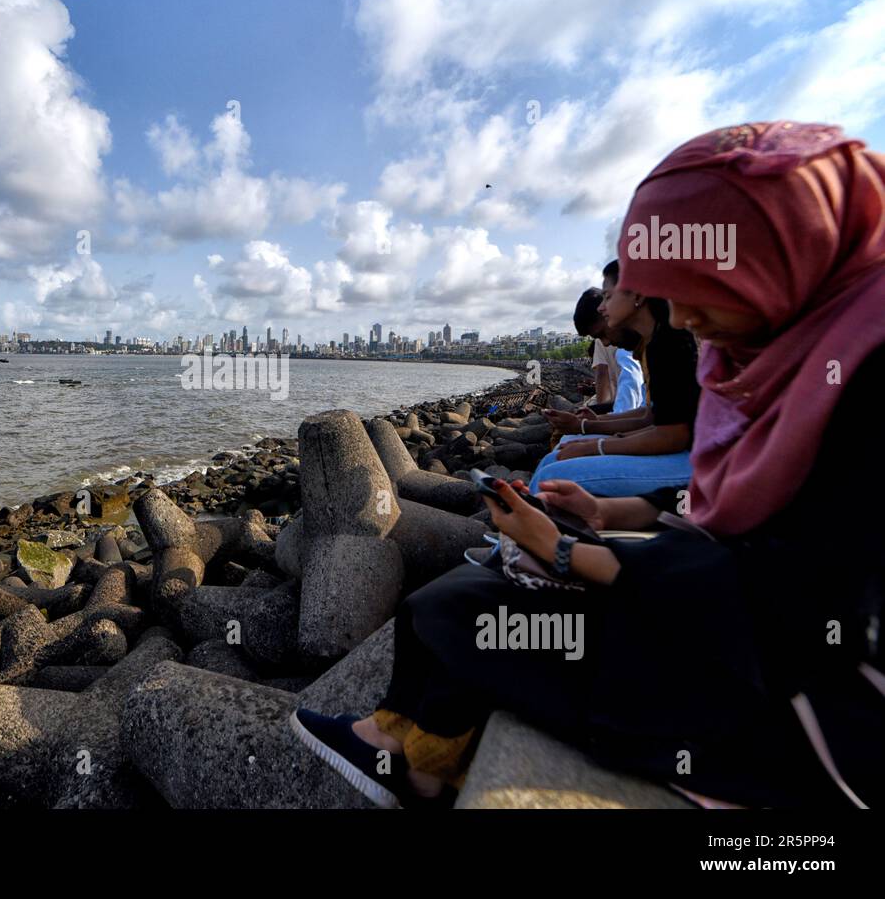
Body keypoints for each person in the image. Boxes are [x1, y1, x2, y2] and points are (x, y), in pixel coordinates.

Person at [291, 121, 885, 809]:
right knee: (454, 597)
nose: (683, 316)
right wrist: (610, 514)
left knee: (467, 612)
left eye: (693, 285)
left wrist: (575, 552)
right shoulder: (768, 360)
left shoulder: (864, 382)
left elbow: (793, 602)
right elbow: (709, 503)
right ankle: (405, 754)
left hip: (809, 705)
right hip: (729, 624)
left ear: (777, 252)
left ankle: (410, 762)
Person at [528, 259, 699, 496]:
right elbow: (652, 415)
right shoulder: (655, 342)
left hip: (700, 463)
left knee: (552, 476)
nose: (602, 307)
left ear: (637, 295)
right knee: (554, 460)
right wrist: (590, 430)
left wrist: (595, 444)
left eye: (608, 297)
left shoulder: (669, 343)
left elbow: (672, 435)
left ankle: (531, 531)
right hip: (689, 454)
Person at [573, 282, 644, 413]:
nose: (605, 343)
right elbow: (646, 414)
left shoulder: (624, 350)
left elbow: (603, 374)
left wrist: (593, 420)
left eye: (609, 297)